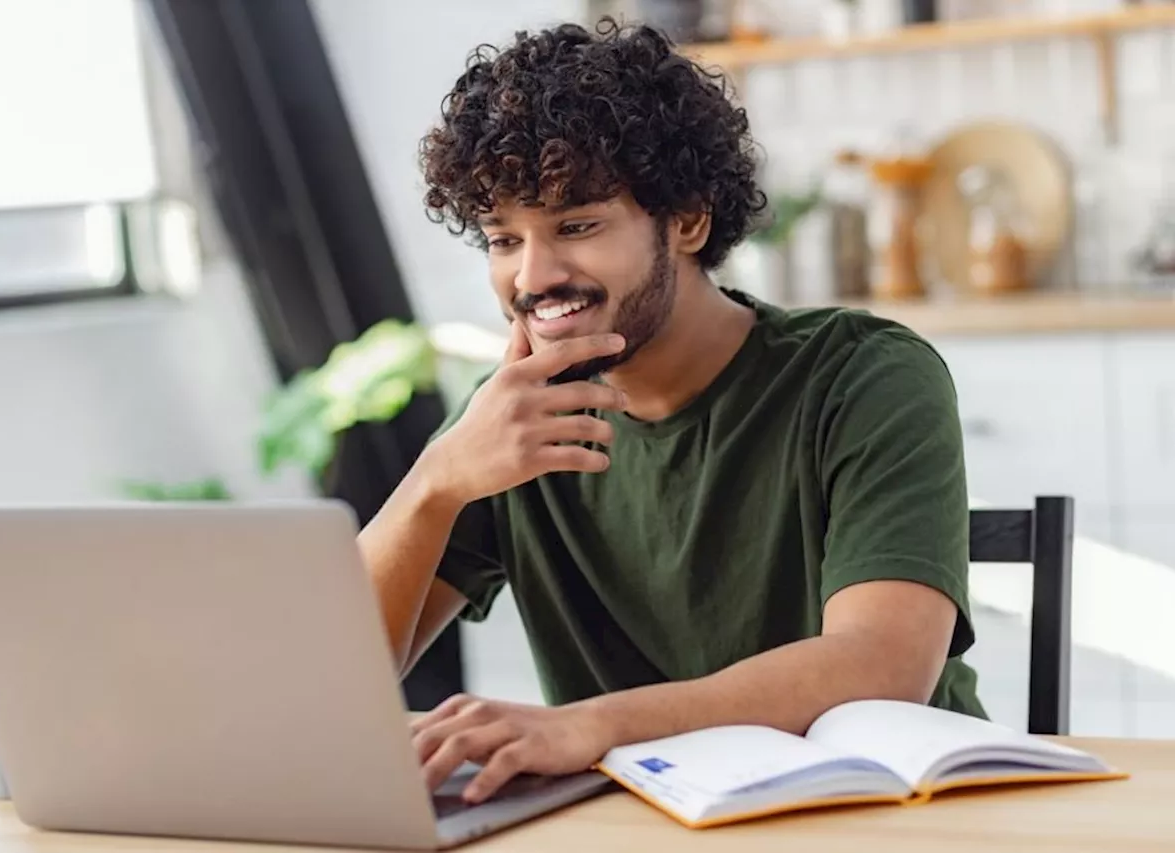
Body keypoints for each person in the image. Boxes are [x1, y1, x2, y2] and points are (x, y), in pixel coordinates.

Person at [356, 18, 985, 805]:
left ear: (687, 220)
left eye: (576, 226)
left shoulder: (862, 375)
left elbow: (881, 664)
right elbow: (329, 688)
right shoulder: (508, 424)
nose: (534, 274)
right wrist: (435, 483)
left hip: (895, 811)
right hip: (641, 823)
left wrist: (588, 726)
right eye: (502, 239)